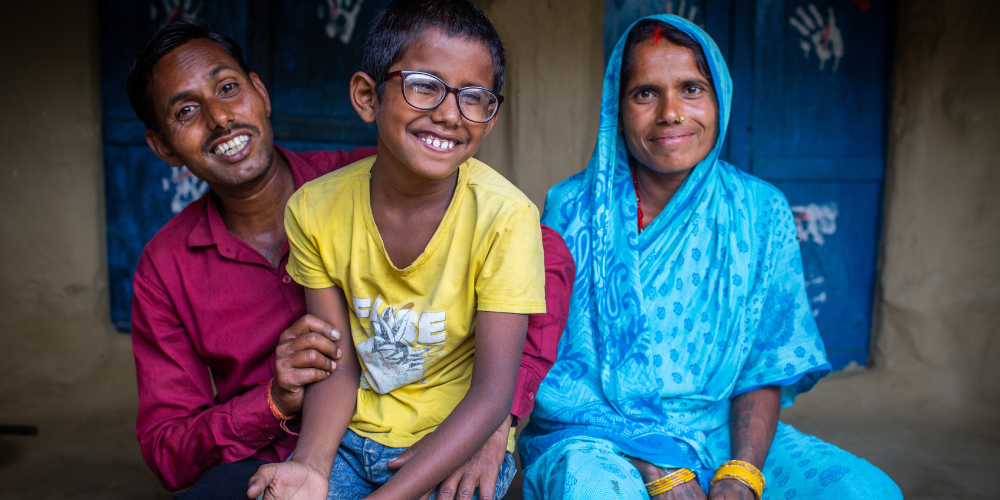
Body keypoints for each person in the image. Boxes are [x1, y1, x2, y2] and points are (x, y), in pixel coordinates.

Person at [125, 19, 574, 500]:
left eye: (228, 88)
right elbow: (167, 448)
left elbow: (544, 260)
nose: (220, 118)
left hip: (427, 438)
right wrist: (273, 403)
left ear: (260, 91)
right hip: (296, 452)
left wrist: (497, 420)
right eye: (187, 111)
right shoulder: (167, 267)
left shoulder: (396, 171)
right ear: (162, 146)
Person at [517, 15, 902, 500]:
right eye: (645, 93)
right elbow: (553, 375)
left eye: (692, 89)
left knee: (864, 490)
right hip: (597, 439)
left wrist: (740, 474)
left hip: (719, 435)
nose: (671, 112)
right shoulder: (572, 208)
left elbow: (766, 364)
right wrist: (658, 470)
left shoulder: (761, 212)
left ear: (720, 98)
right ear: (617, 107)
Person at [245, 2, 546, 500]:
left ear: (489, 119)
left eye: (474, 97)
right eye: (424, 85)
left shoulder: (506, 217)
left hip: (453, 441)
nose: (450, 114)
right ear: (368, 97)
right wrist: (312, 466)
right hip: (346, 439)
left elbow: (493, 394)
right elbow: (337, 365)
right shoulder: (314, 210)